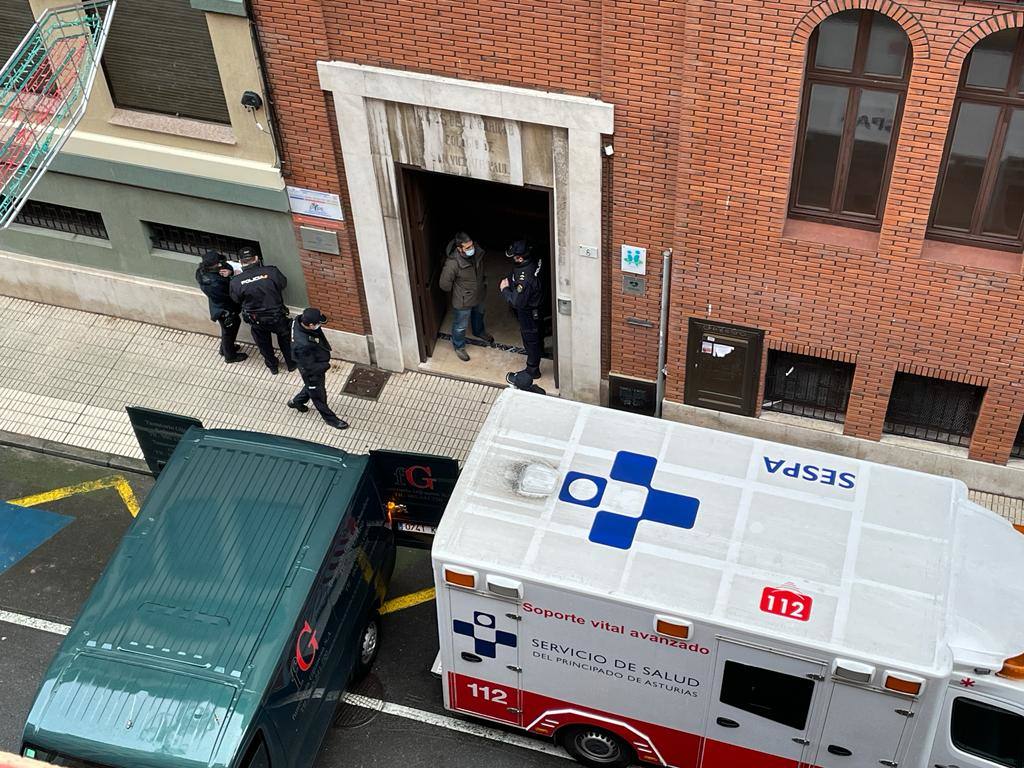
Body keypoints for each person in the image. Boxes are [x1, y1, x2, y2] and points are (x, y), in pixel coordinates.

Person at [229, 246, 294, 374]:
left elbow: (236, 299)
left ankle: (273, 367)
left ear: (240, 262)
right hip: (277, 316)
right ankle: (291, 364)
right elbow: (282, 284)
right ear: (257, 258)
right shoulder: (271, 272)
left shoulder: (236, 282)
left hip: (256, 319)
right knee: (285, 341)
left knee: (264, 345)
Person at [288, 308, 348, 430]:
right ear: (310, 325)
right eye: (318, 323)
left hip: (313, 362)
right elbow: (309, 367)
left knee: (311, 388)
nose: (319, 325)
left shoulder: (299, 320)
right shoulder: (302, 345)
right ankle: (331, 420)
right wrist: (325, 366)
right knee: (318, 396)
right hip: (312, 371)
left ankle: (296, 402)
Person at [439, 232, 493, 361]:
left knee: (479, 313)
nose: (471, 249)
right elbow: (444, 284)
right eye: (467, 248)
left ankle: (479, 331)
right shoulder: (452, 263)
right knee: (460, 325)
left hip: (478, 293)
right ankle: (459, 346)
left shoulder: (478, 253)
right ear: (459, 248)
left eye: (471, 246)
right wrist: (460, 291)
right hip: (463, 300)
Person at [500, 239, 544, 380]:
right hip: (539, 304)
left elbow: (517, 301)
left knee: (530, 339)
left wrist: (505, 289)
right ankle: (540, 351)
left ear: (520, 258)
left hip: (529, 312)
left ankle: (532, 370)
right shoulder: (536, 259)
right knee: (538, 335)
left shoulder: (523, 279)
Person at [195, 250, 247, 364]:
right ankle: (230, 355)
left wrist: (230, 272)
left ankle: (225, 348)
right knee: (229, 330)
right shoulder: (214, 283)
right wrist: (231, 276)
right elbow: (228, 293)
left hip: (219, 307)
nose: (220, 265)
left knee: (228, 329)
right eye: (217, 264)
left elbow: (226, 265)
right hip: (225, 309)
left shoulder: (203, 272)